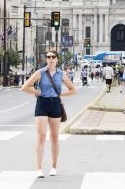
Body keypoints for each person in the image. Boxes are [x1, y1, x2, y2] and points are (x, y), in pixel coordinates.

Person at [21, 50, 76, 178]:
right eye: (48, 57)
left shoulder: (61, 74)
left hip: (55, 104)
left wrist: (60, 94)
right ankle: (39, 168)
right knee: (41, 136)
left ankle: (54, 166)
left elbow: (73, 90)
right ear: (46, 59)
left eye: (53, 57)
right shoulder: (40, 73)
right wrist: (38, 92)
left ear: (57, 59)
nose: (51, 58)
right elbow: (25, 87)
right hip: (42, 104)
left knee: (55, 137)